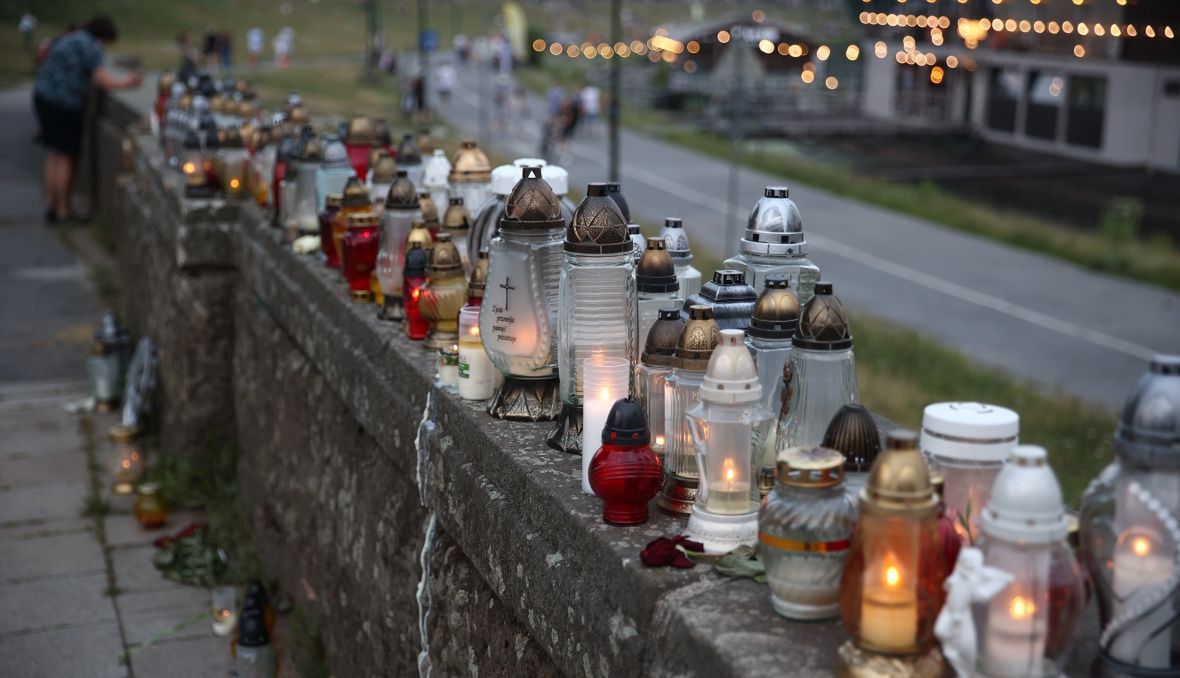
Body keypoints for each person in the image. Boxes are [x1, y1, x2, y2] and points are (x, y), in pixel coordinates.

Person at [33, 15, 141, 224]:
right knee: (65, 156)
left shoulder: (72, 38)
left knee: (54, 154)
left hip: (43, 97)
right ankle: (63, 211)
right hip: (64, 104)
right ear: (104, 36)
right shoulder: (91, 46)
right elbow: (103, 81)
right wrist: (127, 83)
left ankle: (51, 206)